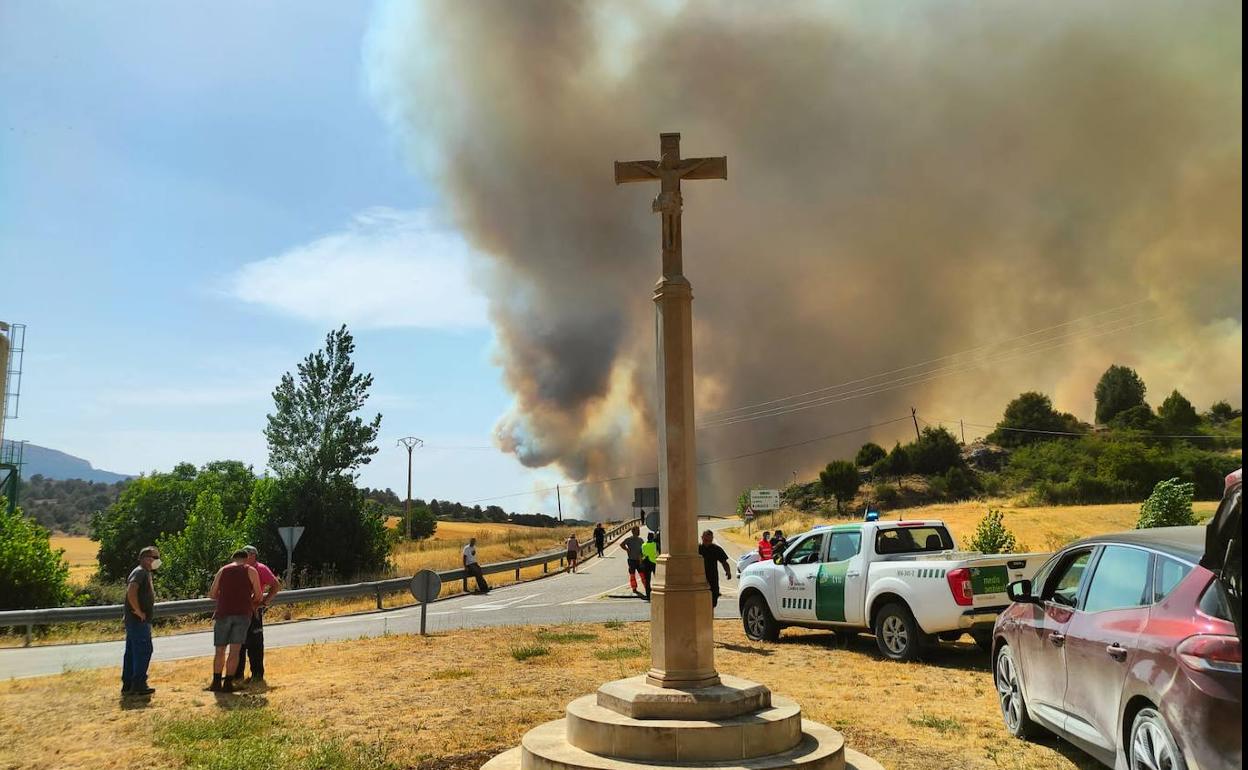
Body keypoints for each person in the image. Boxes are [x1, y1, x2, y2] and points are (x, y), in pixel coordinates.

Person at [208, 549, 262, 692]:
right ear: (245, 558)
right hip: (242, 615)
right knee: (235, 650)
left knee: (219, 650)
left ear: (233, 558)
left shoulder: (222, 570)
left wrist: (225, 596)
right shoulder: (251, 571)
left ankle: (216, 682)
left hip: (223, 614)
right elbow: (258, 595)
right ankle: (228, 683)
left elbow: (212, 594)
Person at [232, 545, 280, 686]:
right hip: (238, 610)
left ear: (253, 555)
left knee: (255, 644)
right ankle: (237, 674)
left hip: (253, 610)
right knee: (238, 643)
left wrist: (264, 602)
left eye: (247, 553)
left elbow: (275, 585)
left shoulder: (261, 569)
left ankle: (257, 675)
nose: (244, 556)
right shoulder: (237, 568)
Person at [121, 545, 160, 697]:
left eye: (156, 557)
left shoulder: (144, 573)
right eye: (152, 557)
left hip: (136, 620)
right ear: (144, 559)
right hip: (138, 620)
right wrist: (137, 611)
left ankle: (128, 684)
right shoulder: (140, 572)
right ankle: (138, 683)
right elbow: (131, 591)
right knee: (144, 650)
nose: (155, 561)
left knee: (132, 652)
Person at [699, 530, 732, 608]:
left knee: (713, 601)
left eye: (710, 540)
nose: (707, 542)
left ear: (712, 539)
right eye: (706, 540)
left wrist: (728, 572)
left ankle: (710, 618)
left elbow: (724, 562)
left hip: (713, 579)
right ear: (702, 538)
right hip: (700, 579)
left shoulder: (716, 549)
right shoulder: (697, 549)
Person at [619, 526, 646, 596]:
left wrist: (627, 549)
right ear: (634, 531)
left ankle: (645, 587)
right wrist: (627, 549)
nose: (639, 531)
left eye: (639, 530)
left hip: (636, 560)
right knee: (633, 575)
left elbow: (643, 550)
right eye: (638, 530)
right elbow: (621, 544)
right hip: (633, 560)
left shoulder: (640, 540)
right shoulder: (632, 539)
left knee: (641, 575)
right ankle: (635, 588)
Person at [640, 533, 659, 600]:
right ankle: (657, 593)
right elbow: (658, 553)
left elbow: (641, 554)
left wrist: (641, 563)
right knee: (658, 580)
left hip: (646, 563)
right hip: (654, 563)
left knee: (647, 581)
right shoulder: (655, 544)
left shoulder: (643, 545)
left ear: (647, 538)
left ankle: (648, 596)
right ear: (652, 538)